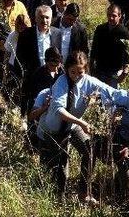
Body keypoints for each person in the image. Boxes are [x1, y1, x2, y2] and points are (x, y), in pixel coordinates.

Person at [36, 51, 116, 201]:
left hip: (72, 126)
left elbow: (110, 91)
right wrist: (81, 122)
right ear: (66, 69)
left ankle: (84, 193)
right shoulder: (61, 82)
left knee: (89, 151)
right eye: (73, 72)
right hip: (54, 129)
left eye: (80, 72)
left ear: (85, 70)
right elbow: (59, 110)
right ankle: (59, 198)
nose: (76, 75)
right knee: (60, 164)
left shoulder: (88, 81)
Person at [90, 5, 129, 88]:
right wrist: (91, 66)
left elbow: (127, 54)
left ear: (119, 16)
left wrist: (125, 72)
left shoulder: (124, 32)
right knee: (95, 94)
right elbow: (94, 48)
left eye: (114, 16)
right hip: (99, 69)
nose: (111, 18)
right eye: (109, 15)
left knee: (110, 95)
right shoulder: (100, 29)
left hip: (114, 71)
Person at [24, 46, 63, 114]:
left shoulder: (63, 73)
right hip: (41, 109)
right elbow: (32, 97)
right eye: (52, 65)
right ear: (46, 62)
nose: (56, 69)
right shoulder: (38, 75)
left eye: (57, 65)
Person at [4, 13, 32, 103]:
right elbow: (7, 53)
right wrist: (5, 69)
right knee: (13, 89)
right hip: (13, 66)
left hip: (27, 67)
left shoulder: (32, 35)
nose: (21, 26)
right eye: (19, 24)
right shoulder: (13, 35)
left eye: (23, 24)